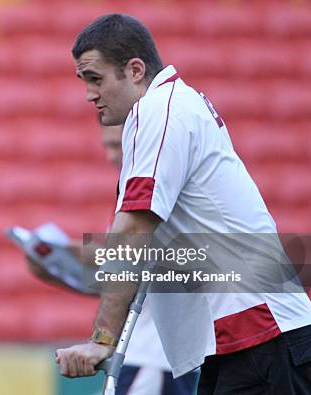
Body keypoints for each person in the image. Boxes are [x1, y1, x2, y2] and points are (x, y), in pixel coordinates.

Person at [55, 14, 311, 395]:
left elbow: (133, 232)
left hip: (261, 335)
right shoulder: (169, 107)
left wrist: (103, 339)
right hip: (243, 340)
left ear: (135, 70)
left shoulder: (159, 110)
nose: (89, 94)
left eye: (95, 79)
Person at [27, 124, 198, 394]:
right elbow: (123, 290)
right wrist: (54, 269)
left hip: (155, 357)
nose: (111, 155)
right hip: (135, 354)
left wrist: (99, 256)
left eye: (118, 145)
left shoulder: (167, 198)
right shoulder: (132, 200)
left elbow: (188, 271)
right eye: (107, 146)